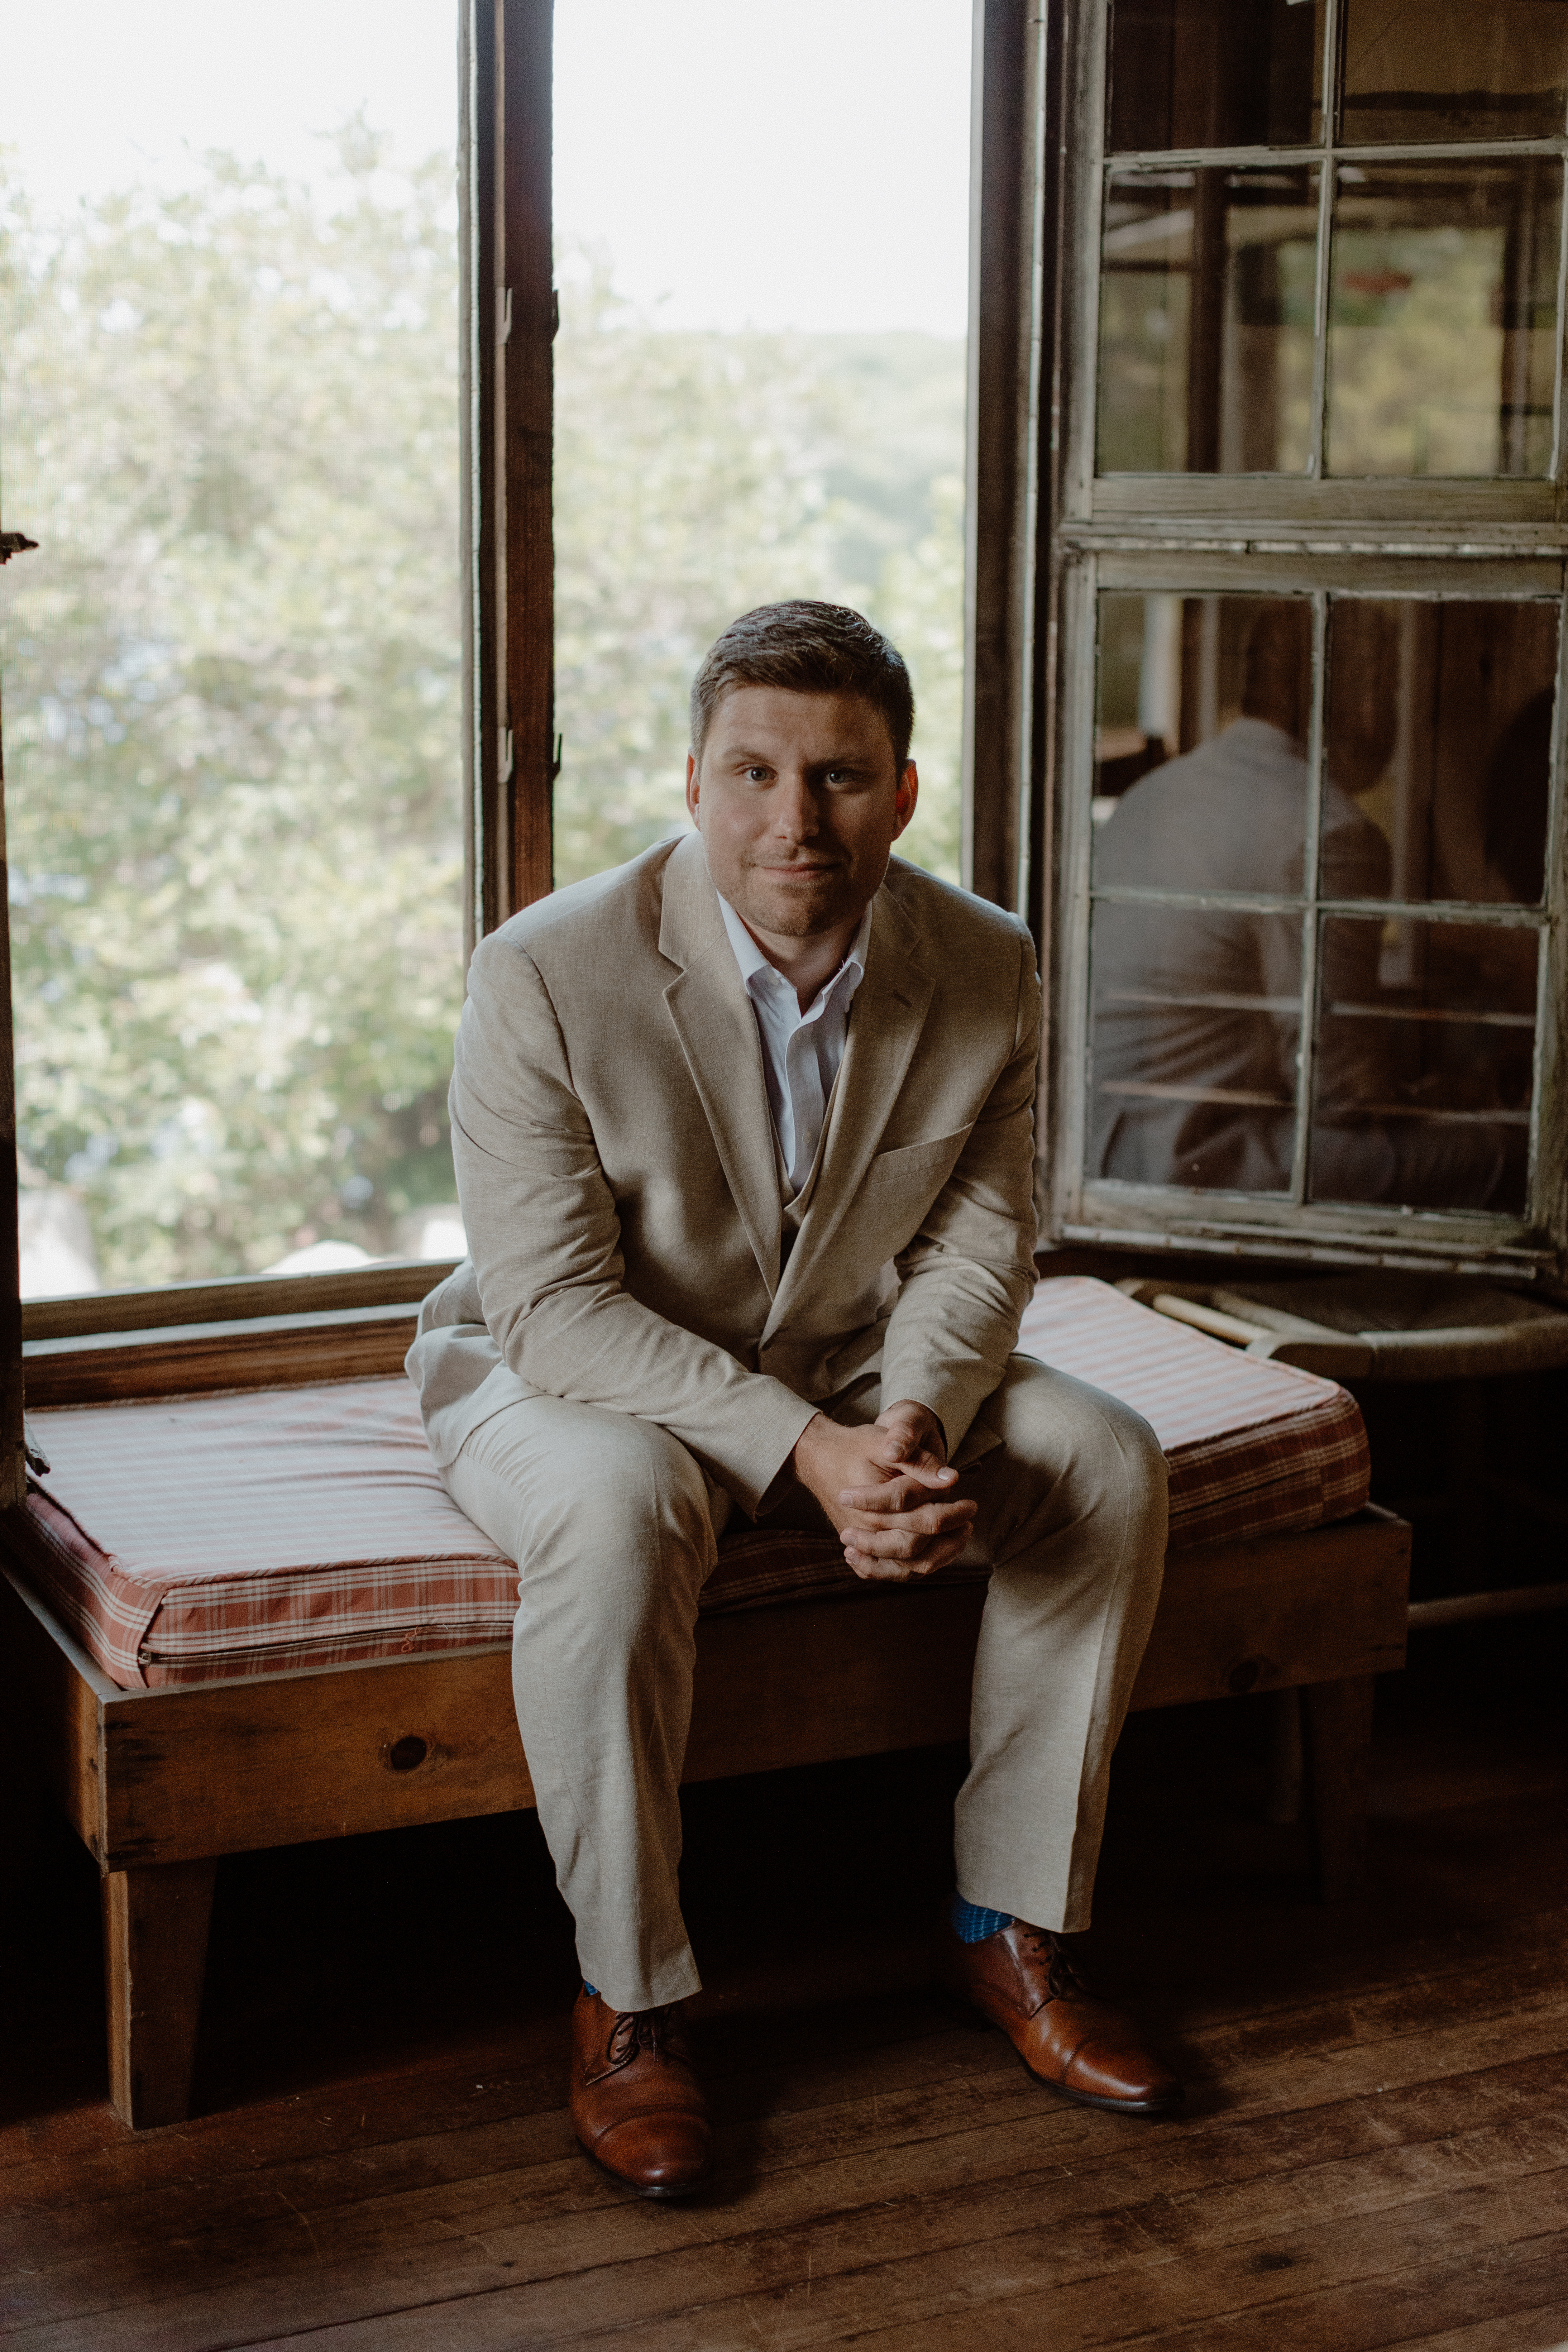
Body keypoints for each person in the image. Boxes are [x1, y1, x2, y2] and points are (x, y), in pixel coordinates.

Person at [408, 601, 1177, 2199]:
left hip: (844, 1356)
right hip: (572, 1363)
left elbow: (975, 1248)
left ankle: (1005, 1926)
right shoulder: (542, 973)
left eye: (837, 778)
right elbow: (554, 1304)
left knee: (1103, 1458)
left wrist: (901, 1429)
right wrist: (803, 1454)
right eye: (753, 773)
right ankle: (629, 2002)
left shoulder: (985, 960)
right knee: (623, 1510)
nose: (792, 820)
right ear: (694, 781)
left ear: (901, 792)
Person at [1090, 603, 1512, 1209]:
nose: (1397, 711)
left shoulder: (1153, 795)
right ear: (1360, 693)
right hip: (1201, 1165)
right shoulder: (1327, 828)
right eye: (1391, 685)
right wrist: (1448, 1093)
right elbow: (1338, 1093)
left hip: (1107, 1149)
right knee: (1507, 1155)